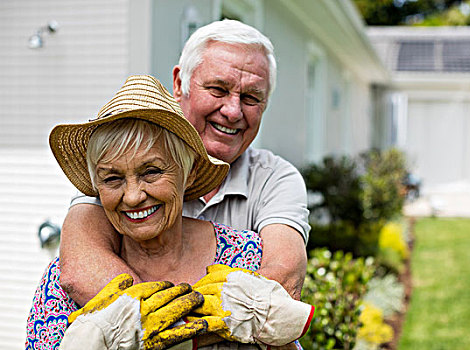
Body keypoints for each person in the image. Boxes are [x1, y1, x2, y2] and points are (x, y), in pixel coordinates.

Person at [26, 75, 314, 350]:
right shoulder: (61, 281)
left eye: (151, 172)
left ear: (189, 174)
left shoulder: (246, 256)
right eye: (112, 179)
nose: (133, 196)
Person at [59, 19, 310, 309]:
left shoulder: (274, 178)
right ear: (180, 84)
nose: (232, 111)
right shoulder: (123, 158)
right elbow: (82, 268)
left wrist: (183, 330)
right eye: (218, 89)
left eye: (251, 98)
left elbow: (283, 280)